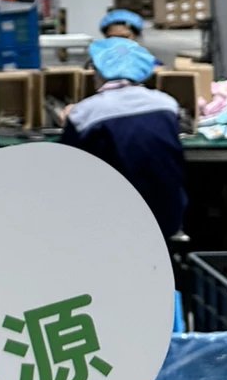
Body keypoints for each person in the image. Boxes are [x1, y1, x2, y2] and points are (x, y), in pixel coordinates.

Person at [61, 37, 186, 238]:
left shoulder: (85, 113)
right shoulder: (167, 104)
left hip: (112, 225)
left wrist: (70, 120)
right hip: (167, 217)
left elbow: (66, 165)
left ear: (98, 72)